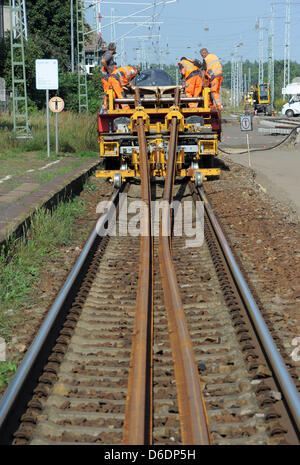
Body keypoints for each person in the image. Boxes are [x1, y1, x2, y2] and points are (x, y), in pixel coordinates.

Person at [101, 43, 117, 110]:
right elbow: (103, 61)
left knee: (109, 92)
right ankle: (105, 106)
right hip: (107, 78)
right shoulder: (109, 55)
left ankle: (108, 105)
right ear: (114, 49)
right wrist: (108, 69)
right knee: (108, 92)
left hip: (107, 77)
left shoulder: (106, 53)